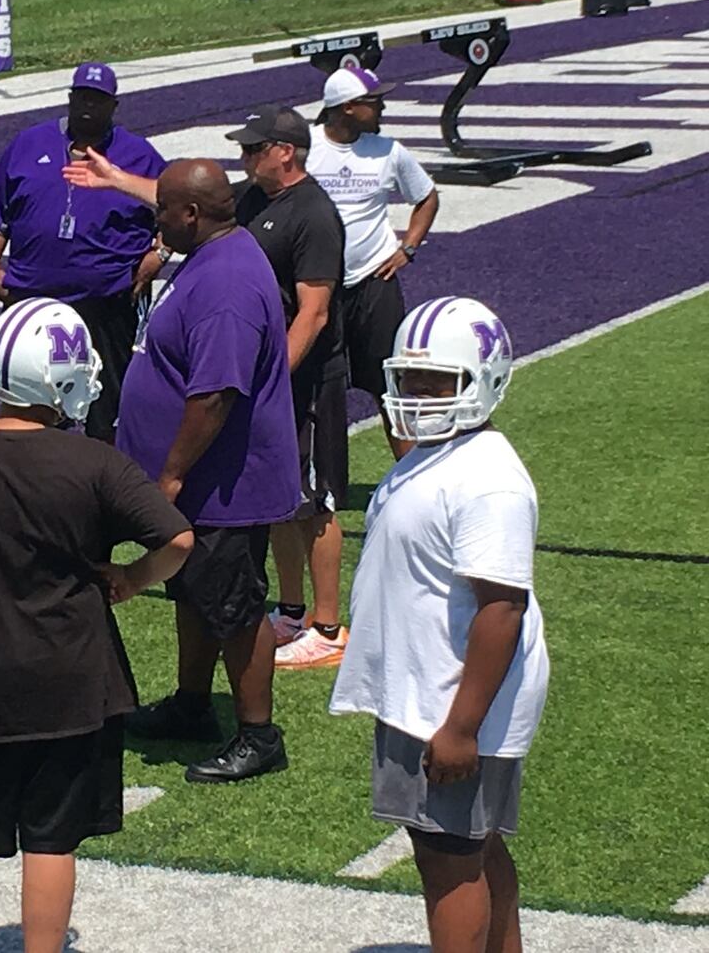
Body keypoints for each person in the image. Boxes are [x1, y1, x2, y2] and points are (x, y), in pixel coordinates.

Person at [0, 298, 193, 953]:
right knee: (51, 838)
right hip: (71, 679)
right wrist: (132, 578)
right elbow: (178, 541)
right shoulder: (96, 465)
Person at [331, 297, 547, 953]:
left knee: (447, 862)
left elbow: (500, 608)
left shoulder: (488, 480)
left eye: (438, 383)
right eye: (411, 380)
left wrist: (461, 726)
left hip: (451, 700)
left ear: (485, 382)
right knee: (470, 846)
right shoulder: (437, 454)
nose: (420, 397)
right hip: (425, 689)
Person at [113, 160, 299, 783]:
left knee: (234, 605)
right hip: (205, 480)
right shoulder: (212, 261)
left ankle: (257, 733)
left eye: (163, 209)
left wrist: (169, 475)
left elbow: (215, 392)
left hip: (224, 483)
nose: (157, 219)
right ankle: (193, 704)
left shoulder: (225, 284)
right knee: (192, 592)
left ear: (190, 214)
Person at [222, 107, 353, 668]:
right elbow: (185, 194)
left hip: (310, 378)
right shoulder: (255, 199)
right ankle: (293, 612)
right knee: (282, 495)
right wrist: (114, 179)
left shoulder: (315, 214)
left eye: (254, 149)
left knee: (317, 500)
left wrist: (277, 375)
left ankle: (327, 626)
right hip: (274, 376)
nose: (245, 158)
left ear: (286, 151)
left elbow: (315, 313)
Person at [0, 61, 167, 441]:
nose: (87, 107)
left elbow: (177, 208)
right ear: (69, 98)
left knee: (108, 408)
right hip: (32, 298)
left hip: (108, 300)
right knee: (32, 403)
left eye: (97, 100)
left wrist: (158, 255)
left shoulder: (138, 155)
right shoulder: (29, 144)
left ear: (114, 105)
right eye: (80, 97)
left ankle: (103, 485)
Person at [309, 66, 440, 459]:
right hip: (318, 285)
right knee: (317, 387)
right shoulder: (305, 147)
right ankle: (318, 481)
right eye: (374, 101)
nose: (382, 106)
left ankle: (411, 471)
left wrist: (408, 248)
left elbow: (426, 197)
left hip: (373, 281)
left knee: (389, 386)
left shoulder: (389, 150)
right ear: (348, 108)